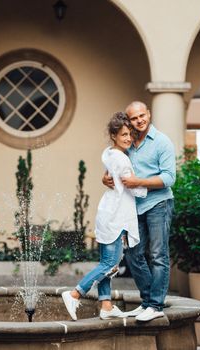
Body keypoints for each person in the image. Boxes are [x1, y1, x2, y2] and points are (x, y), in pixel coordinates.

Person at [62, 112, 147, 321]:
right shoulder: (122, 160)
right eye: (124, 134)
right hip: (116, 216)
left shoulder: (108, 153)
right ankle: (75, 293)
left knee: (106, 262)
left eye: (130, 134)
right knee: (110, 264)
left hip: (108, 212)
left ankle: (106, 306)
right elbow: (135, 189)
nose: (128, 138)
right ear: (114, 135)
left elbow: (114, 179)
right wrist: (147, 185)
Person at [103, 101, 175, 322]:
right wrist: (105, 178)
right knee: (134, 254)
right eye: (134, 118)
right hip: (134, 207)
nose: (139, 121)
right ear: (129, 120)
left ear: (149, 114)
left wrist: (138, 182)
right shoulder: (128, 142)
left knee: (157, 255)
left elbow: (169, 178)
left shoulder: (162, 142)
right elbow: (115, 167)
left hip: (158, 205)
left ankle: (155, 304)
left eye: (142, 116)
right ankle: (146, 302)